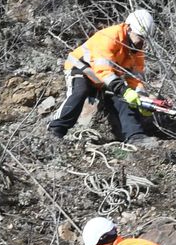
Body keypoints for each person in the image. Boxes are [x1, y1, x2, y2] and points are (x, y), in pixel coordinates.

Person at [47, 10, 156, 145]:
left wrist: (141, 98)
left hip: (104, 77)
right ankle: (55, 129)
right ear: (128, 28)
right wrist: (124, 90)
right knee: (80, 91)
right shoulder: (109, 37)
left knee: (124, 99)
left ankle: (135, 136)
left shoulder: (137, 50)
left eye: (145, 39)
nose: (141, 42)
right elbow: (102, 69)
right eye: (140, 37)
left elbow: (135, 78)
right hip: (81, 67)